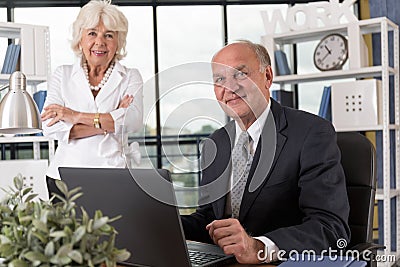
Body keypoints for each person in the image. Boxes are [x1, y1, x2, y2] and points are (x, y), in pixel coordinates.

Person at [181, 40, 350, 264]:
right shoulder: (215, 143)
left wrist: (258, 247)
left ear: (267, 77)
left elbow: (330, 228)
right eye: (220, 79)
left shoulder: (312, 133)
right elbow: (209, 218)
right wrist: (162, 223)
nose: (229, 88)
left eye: (240, 74)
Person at [41, 0, 143, 194]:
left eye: (109, 35)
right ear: (80, 39)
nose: (100, 42)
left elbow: (133, 121)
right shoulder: (62, 74)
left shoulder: (131, 76)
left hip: (113, 175)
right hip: (63, 177)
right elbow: (49, 126)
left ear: (118, 42)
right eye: (92, 33)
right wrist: (110, 120)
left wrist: (73, 116)